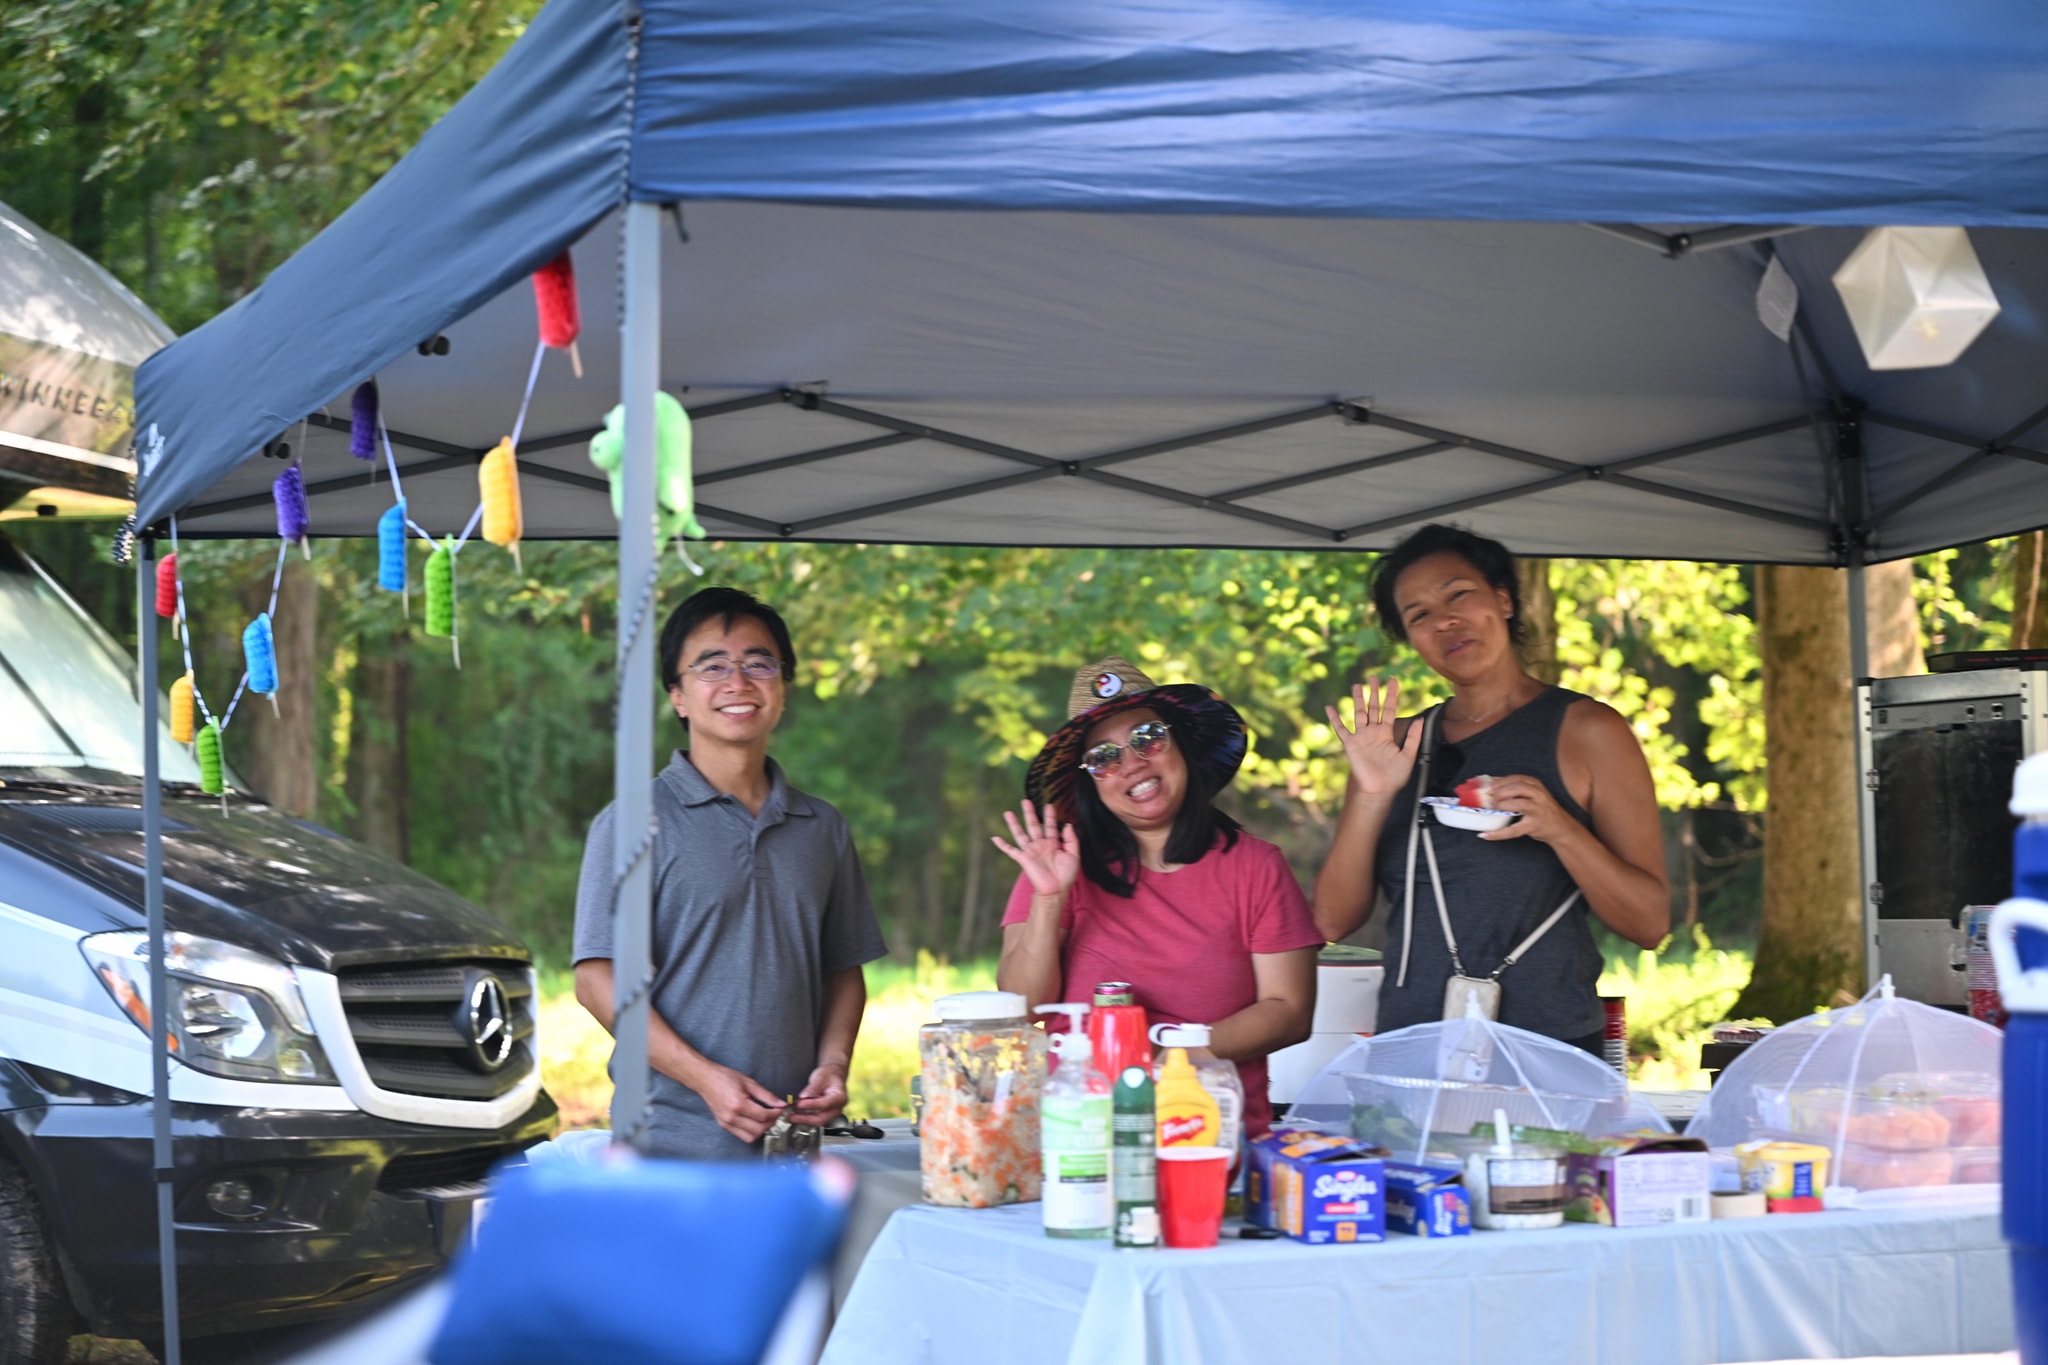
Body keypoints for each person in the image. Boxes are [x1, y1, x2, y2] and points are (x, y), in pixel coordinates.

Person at [1313, 524, 1669, 1050]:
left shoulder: (1590, 732)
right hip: (1410, 1049)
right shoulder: (1395, 746)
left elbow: (1650, 924)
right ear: (1410, 640)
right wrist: (1371, 793)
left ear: (1503, 599)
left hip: (1548, 1054)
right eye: (1419, 616)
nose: (1446, 621)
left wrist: (1561, 830)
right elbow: (1332, 921)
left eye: (1459, 595)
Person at [572, 586, 887, 1158]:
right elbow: (597, 981)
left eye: (759, 663)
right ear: (679, 696)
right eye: (712, 666)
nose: (738, 682)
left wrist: (834, 1065)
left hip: (790, 1148)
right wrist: (705, 1079)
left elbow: (843, 970)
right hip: (666, 1146)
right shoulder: (633, 822)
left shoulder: (822, 827)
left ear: (784, 687)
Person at [994, 656, 1320, 1138]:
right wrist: (1049, 898)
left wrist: (1178, 1057)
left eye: (1148, 738)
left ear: (1181, 744)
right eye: (1104, 757)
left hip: (1213, 1131)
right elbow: (1022, 1009)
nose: (1132, 764)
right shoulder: (1059, 862)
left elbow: (1289, 1011)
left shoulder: (1257, 866)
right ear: (1090, 780)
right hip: (1081, 1133)